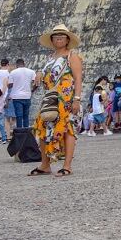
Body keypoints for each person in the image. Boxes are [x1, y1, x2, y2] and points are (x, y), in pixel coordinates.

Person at [30, 24, 84, 177]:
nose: (58, 38)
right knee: (42, 127)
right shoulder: (50, 58)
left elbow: (78, 79)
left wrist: (77, 99)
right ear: (52, 40)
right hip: (50, 98)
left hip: (67, 99)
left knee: (68, 129)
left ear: (67, 40)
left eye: (62, 36)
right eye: (55, 36)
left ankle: (67, 166)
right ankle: (45, 164)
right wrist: (40, 73)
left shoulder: (72, 56)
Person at [7, 58, 37, 129]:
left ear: (16, 65)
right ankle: (26, 132)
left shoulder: (13, 72)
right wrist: (32, 90)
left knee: (19, 116)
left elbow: (10, 85)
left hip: (16, 97)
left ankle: (20, 133)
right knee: (26, 115)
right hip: (27, 96)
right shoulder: (31, 72)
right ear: (24, 63)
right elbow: (36, 83)